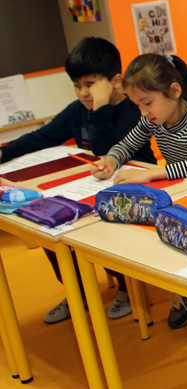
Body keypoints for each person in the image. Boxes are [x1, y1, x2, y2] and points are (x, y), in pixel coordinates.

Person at [0, 37, 154, 324]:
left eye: (90, 85)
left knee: (106, 227)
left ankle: (125, 286)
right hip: (93, 186)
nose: (83, 93)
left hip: (132, 188)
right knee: (47, 222)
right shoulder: (77, 110)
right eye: (77, 85)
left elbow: (105, 149)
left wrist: (100, 108)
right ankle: (78, 291)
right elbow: (41, 137)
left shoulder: (134, 111)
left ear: (115, 82)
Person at [92, 53, 187, 334]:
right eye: (138, 105)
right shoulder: (153, 121)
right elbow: (128, 143)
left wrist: (153, 172)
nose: (144, 112)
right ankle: (184, 290)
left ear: (174, 91)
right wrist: (110, 159)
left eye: (147, 103)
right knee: (167, 235)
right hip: (184, 193)